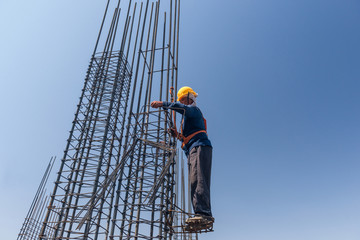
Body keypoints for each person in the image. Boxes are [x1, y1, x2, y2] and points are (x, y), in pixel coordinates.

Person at [151, 86, 214, 225]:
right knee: (194, 180)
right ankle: (201, 213)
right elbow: (188, 137)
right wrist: (178, 135)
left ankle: (203, 214)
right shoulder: (188, 118)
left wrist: (164, 104)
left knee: (198, 178)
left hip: (199, 146)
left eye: (182, 100)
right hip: (194, 147)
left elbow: (183, 108)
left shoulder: (194, 110)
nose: (182, 102)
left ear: (188, 97)